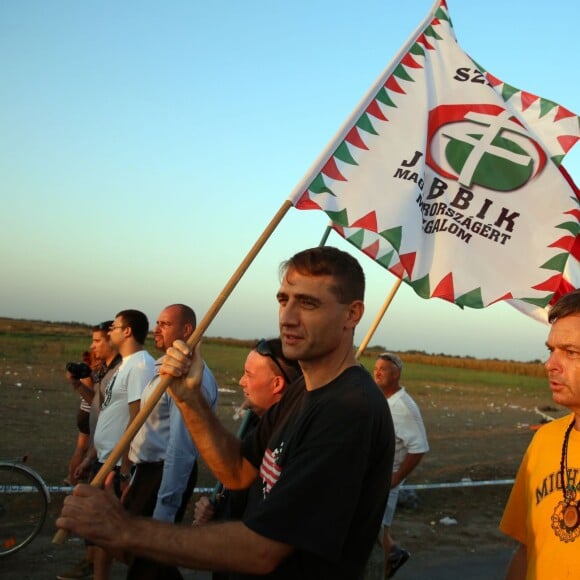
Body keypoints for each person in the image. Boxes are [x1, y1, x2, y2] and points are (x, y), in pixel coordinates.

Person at [57, 246, 395, 579]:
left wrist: (123, 529)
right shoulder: (302, 391)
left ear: (352, 314)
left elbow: (263, 550)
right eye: (283, 300)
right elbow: (238, 471)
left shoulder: (349, 409)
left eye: (308, 303)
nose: (288, 317)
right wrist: (190, 399)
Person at [124, 304, 219, 580]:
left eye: (164, 324)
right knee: (145, 558)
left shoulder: (191, 380)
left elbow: (181, 448)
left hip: (165, 473)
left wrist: (165, 507)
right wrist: (133, 476)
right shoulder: (161, 369)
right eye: (157, 323)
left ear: (187, 330)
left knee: (150, 558)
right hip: (148, 471)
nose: (156, 329)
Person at [192, 337, 302, 563]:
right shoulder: (255, 423)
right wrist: (215, 511)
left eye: (249, 375)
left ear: (277, 384)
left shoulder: (290, 439)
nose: (241, 382)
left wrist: (190, 396)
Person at [500, 289, 580, 579]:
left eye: (571, 352)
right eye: (551, 350)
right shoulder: (545, 440)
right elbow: (527, 547)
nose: (550, 365)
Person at [76, 309, 156, 580]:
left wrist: (124, 468)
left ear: (128, 331)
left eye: (115, 326)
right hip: (104, 457)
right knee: (101, 531)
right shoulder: (125, 363)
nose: (110, 331)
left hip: (116, 463)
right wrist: (91, 456)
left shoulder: (142, 366)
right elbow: (112, 413)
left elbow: (136, 419)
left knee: (111, 532)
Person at [58, 322, 122, 580]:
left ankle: (98, 571)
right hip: (100, 449)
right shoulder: (106, 369)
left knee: (102, 520)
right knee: (94, 516)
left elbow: (121, 420)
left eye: (97, 340)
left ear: (113, 339)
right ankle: (91, 564)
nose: (92, 346)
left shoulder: (123, 371)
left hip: (112, 459)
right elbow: (100, 407)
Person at [373, 352, 429, 578]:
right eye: (375, 368)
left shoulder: (403, 407)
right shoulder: (384, 400)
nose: (376, 372)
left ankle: (386, 563)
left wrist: (396, 478)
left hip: (385, 481)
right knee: (379, 531)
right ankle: (393, 554)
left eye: (383, 369)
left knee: (374, 533)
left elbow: (419, 447)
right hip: (375, 478)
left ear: (396, 375)